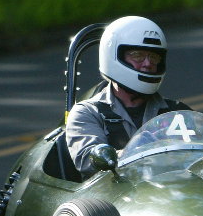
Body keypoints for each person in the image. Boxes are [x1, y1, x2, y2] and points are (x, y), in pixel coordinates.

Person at [66, 15, 190, 177]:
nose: (148, 64)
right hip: (113, 191)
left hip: (171, 189)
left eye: (154, 57)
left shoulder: (177, 113)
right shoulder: (87, 112)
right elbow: (88, 161)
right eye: (137, 55)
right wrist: (138, 149)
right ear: (115, 56)